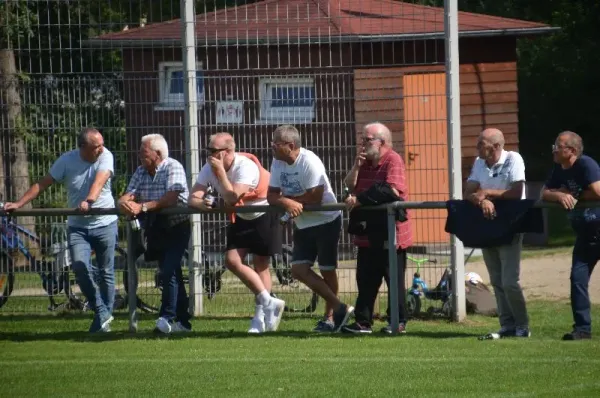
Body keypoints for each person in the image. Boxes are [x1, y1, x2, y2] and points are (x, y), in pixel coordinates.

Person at [4, 128, 118, 333]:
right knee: (79, 266)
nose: (101, 149)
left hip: (105, 223)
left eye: (102, 144)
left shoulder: (105, 155)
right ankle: (101, 310)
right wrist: (19, 203)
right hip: (78, 226)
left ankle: (103, 321)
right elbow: (43, 183)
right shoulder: (66, 160)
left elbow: (100, 180)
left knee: (106, 272)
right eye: (96, 146)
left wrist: (89, 200)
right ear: (83, 147)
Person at [189, 133, 285, 333]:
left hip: (263, 213)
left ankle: (260, 318)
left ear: (228, 152)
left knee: (261, 265)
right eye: (208, 151)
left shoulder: (244, 166)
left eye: (213, 151)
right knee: (232, 260)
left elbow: (232, 197)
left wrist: (221, 175)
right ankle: (269, 301)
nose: (209, 156)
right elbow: (193, 198)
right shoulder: (209, 167)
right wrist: (204, 203)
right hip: (241, 216)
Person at [267, 124, 353, 332]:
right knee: (298, 270)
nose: (271, 148)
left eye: (275, 145)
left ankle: (330, 318)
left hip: (326, 221)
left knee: (327, 270)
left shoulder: (309, 161)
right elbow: (271, 195)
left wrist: (288, 200)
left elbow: (315, 195)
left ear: (290, 145)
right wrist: (288, 203)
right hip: (303, 224)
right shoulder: (277, 163)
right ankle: (340, 307)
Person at [342, 122, 413, 334]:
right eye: (362, 139)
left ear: (381, 142)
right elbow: (349, 186)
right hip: (367, 232)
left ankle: (397, 322)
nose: (362, 144)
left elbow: (391, 191)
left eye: (367, 140)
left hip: (391, 233)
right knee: (365, 279)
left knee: (394, 280)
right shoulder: (364, 162)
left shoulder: (393, 160)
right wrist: (356, 166)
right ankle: (363, 322)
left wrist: (359, 200)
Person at [118, 133, 192, 334]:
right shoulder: (141, 171)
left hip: (177, 227)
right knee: (172, 272)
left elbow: (170, 198)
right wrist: (126, 203)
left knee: (168, 271)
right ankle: (183, 322)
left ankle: (166, 317)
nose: (139, 156)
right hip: (156, 227)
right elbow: (127, 195)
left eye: (143, 152)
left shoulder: (173, 166)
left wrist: (142, 207)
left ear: (157, 153)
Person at [464, 128, 530, 339]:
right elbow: (468, 192)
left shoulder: (514, 159)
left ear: (496, 146)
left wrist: (488, 193)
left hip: (511, 225)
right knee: (496, 280)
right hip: (487, 226)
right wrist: (481, 200)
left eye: (481, 143)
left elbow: (517, 192)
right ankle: (507, 325)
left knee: (510, 280)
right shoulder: (478, 162)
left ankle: (522, 326)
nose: (477, 147)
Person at [542, 131, 600, 341]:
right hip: (585, 235)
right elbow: (544, 192)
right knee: (578, 279)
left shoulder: (586, 164)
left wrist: (574, 194)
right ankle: (583, 330)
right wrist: (559, 195)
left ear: (572, 151)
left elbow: (598, 191)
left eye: (559, 146)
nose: (554, 150)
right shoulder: (559, 169)